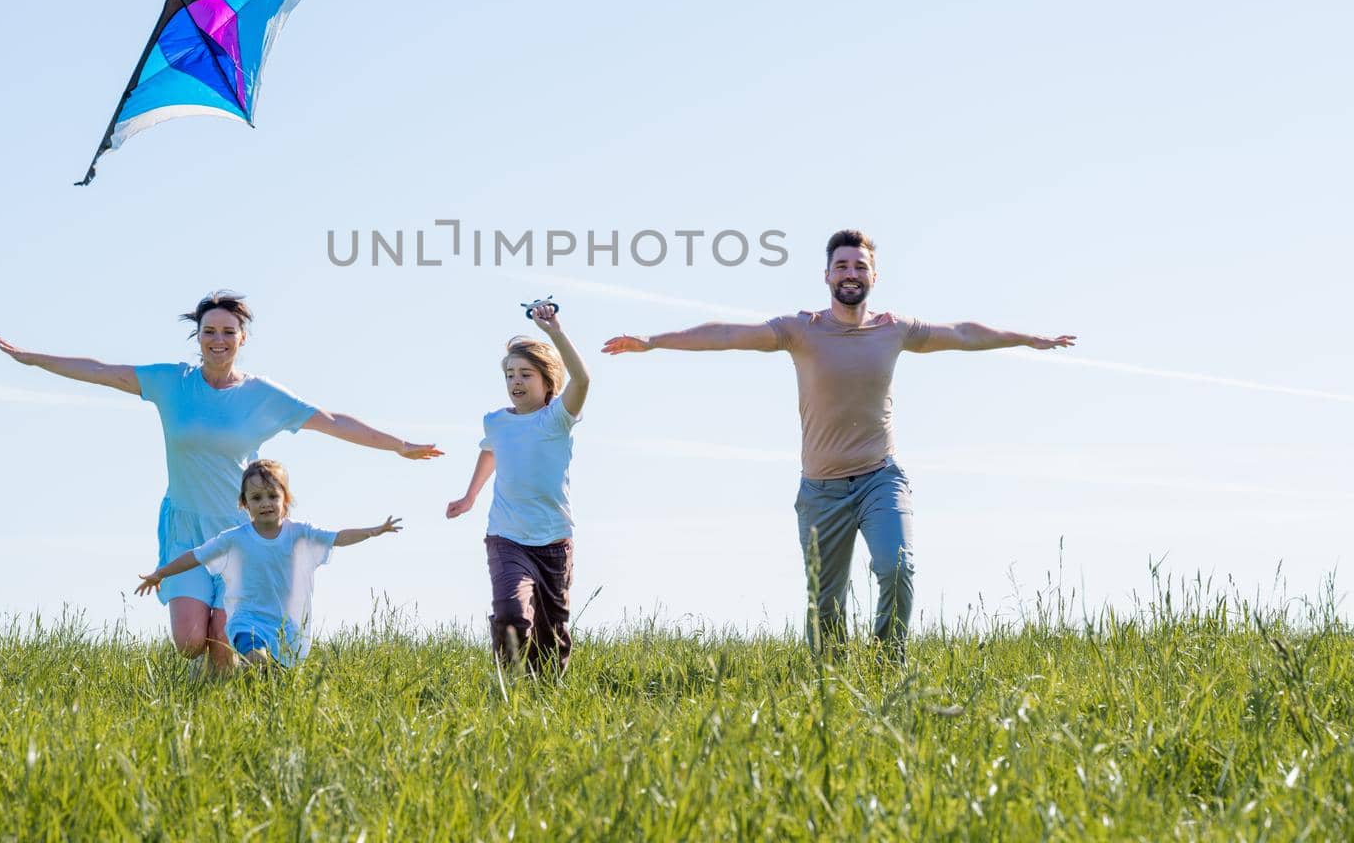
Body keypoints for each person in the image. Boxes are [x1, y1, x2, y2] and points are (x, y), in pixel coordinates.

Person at [602, 229, 1074, 660]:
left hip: (879, 479)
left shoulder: (895, 328)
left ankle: (889, 662)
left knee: (897, 566)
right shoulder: (800, 329)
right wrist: (653, 340)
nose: (851, 274)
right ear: (827, 275)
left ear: (874, 275)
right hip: (821, 491)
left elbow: (964, 333)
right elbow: (726, 334)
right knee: (825, 609)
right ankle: (835, 681)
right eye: (843, 266)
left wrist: (1027, 338)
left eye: (860, 266)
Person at [0, 289, 440, 668]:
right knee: (190, 642)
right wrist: (32, 360)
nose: (218, 340)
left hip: (238, 534)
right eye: (209, 331)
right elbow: (101, 371)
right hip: (184, 528)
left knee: (226, 643)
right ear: (198, 337)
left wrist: (398, 444)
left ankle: (215, 708)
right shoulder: (173, 383)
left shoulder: (261, 396)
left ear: (242, 338)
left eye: (228, 332)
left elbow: (332, 421)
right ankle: (198, 675)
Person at [135, 458, 399, 669]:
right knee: (256, 657)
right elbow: (196, 555)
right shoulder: (235, 539)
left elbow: (337, 538)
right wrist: (161, 573)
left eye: (272, 496)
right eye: (256, 498)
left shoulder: (299, 533)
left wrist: (373, 531)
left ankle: (244, 686)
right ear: (244, 504)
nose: (265, 504)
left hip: (283, 624)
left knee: (272, 674)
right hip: (246, 619)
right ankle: (248, 668)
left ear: (286, 499)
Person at [446, 303, 590, 676]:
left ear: (547, 381)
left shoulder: (557, 418)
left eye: (526, 374)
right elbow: (491, 452)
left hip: (554, 542)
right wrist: (470, 496)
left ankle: (544, 694)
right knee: (511, 613)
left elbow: (583, 381)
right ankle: (507, 683)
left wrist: (555, 332)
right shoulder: (496, 422)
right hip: (506, 537)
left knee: (550, 633)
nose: (516, 382)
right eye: (510, 374)